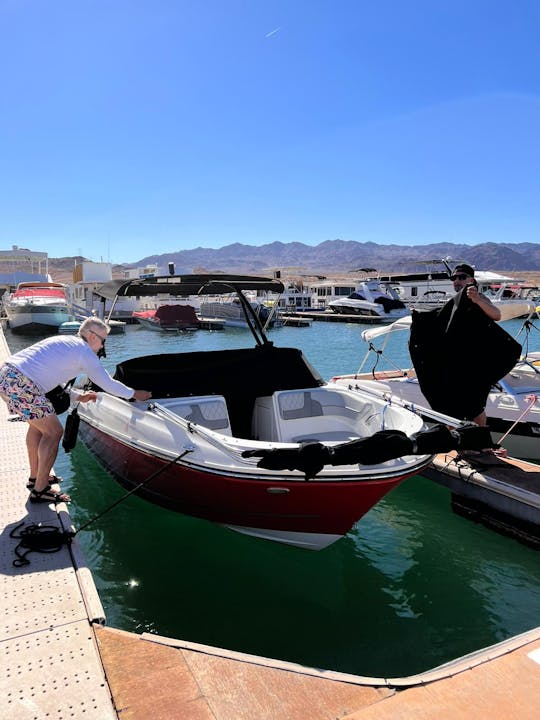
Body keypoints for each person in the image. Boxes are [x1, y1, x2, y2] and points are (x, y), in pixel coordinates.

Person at [0, 317, 152, 504]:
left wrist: (79, 396)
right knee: (54, 432)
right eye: (103, 340)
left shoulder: (63, 342)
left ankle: (36, 478)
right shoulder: (84, 352)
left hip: (8, 375)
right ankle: (40, 491)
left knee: (38, 428)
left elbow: (51, 380)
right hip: (23, 384)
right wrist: (134, 394)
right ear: (91, 335)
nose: (103, 345)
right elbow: (106, 383)